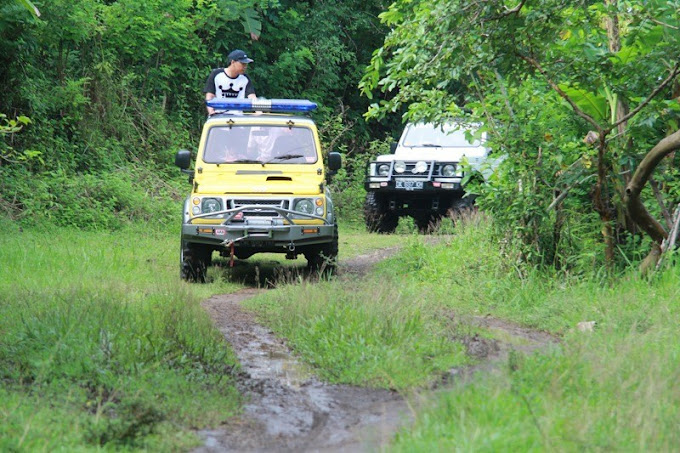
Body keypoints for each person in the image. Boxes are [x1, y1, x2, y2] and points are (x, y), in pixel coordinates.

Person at [203, 49, 257, 115]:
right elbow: (209, 96)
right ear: (233, 62)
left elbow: (252, 97)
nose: (245, 67)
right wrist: (211, 112)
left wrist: (259, 112)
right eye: (242, 64)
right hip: (218, 115)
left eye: (246, 64)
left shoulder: (245, 78)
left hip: (238, 117)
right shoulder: (216, 74)